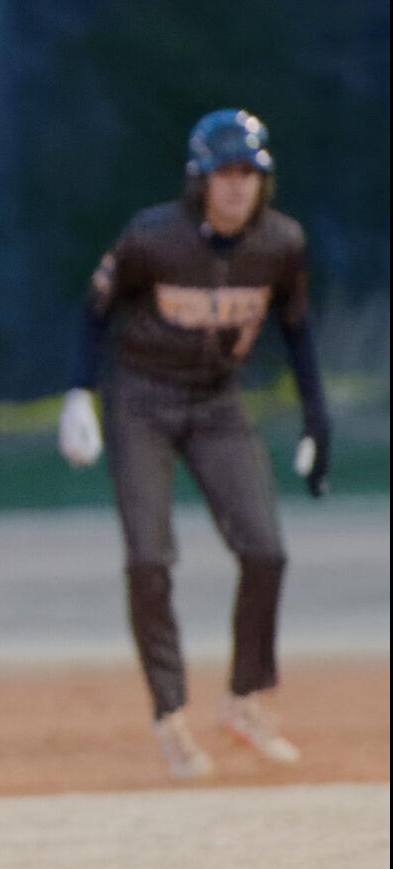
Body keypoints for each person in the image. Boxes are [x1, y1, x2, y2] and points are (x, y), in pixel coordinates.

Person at [57, 108, 330, 779]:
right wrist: (76, 394)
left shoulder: (281, 244)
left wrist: (315, 420)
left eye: (248, 173)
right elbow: (94, 312)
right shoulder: (153, 238)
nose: (235, 186)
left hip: (216, 403)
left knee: (265, 550)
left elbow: (295, 330)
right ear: (198, 179)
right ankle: (170, 717)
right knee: (149, 559)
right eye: (223, 172)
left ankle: (243, 701)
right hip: (141, 401)